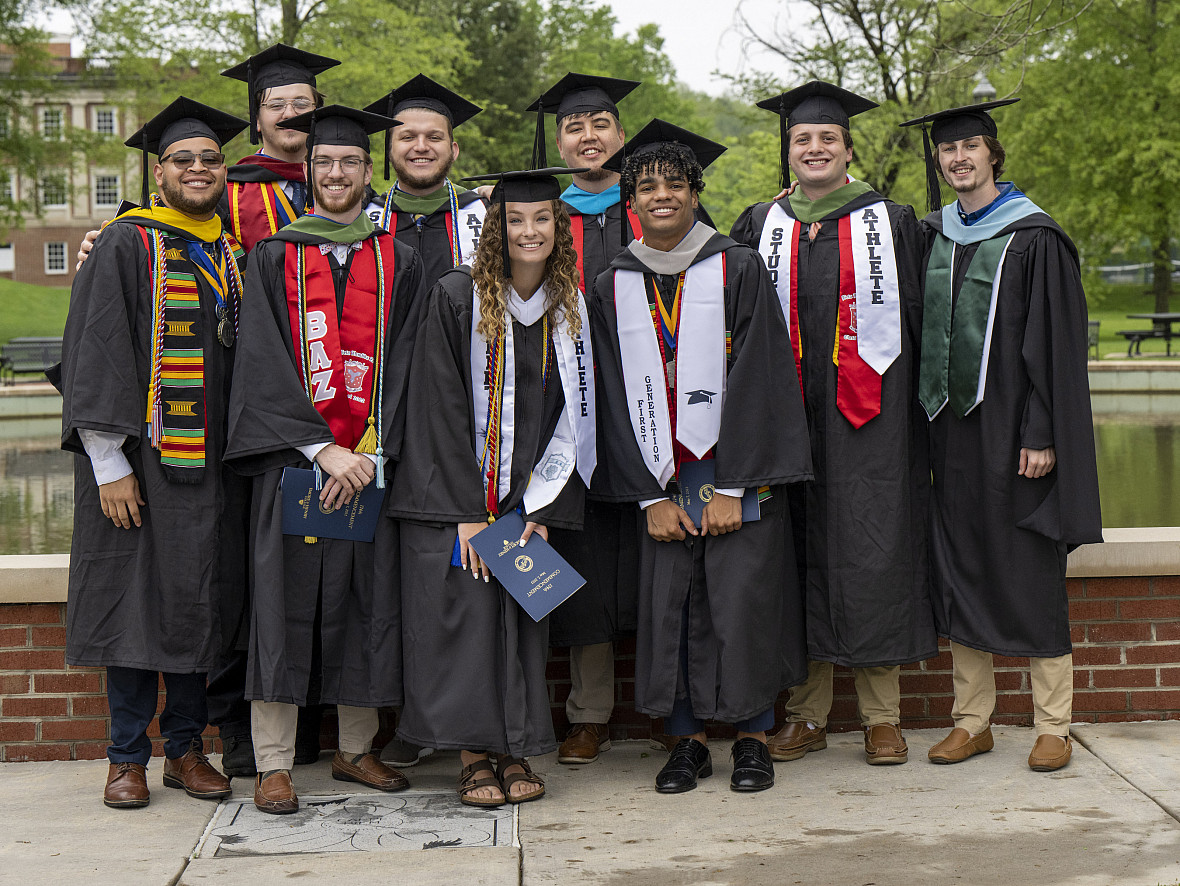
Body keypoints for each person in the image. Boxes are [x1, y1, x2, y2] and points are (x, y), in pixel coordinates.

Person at [591, 119, 813, 794]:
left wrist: (735, 487)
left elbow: (763, 377)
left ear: (695, 194)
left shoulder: (736, 266)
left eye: (675, 184)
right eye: (648, 185)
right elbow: (601, 393)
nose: (662, 195)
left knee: (743, 604)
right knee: (672, 610)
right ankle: (685, 743)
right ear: (631, 200)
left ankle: (752, 738)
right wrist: (648, 496)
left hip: (731, 471)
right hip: (659, 475)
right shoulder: (610, 283)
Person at [224, 105, 424, 814]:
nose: (336, 174)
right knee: (279, 611)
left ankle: (355, 749)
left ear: (369, 173)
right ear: (306, 174)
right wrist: (321, 447)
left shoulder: (400, 257)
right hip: (292, 465)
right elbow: (262, 362)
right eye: (324, 163)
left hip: (370, 469)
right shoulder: (275, 253)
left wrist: (370, 450)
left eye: (348, 162)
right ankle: (273, 762)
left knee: (366, 606)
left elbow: (412, 364)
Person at [730, 81, 936, 766]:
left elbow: (923, 326)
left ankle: (883, 718)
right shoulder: (761, 226)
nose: (814, 147)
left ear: (848, 148)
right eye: (802, 139)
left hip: (871, 424)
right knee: (794, 557)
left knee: (873, 551)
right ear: (787, 151)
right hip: (784, 420)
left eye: (827, 138)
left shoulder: (893, 221)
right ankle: (807, 714)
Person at [58, 97, 249, 809]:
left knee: (196, 605)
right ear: (158, 172)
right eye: (183, 160)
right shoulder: (125, 243)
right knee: (134, 607)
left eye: (209, 159)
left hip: (207, 471)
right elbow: (97, 349)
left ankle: (188, 750)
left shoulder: (226, 251)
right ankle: (126, 757)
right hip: (139, 470)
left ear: (222, 170)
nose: (198, 169)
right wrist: (108, 464)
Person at [900, 99, 1101, 771]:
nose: (958, 158)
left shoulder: (1035, 237)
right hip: (948, 435)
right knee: (960, 569)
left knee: (1030, 568)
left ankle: (1053, 724)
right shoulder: (935, 235)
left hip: (1015, 435)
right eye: (947, 150)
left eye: (970, 148)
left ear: (992, 154)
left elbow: (1057, 347)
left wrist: (1043, 431)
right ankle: (973, 720)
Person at [387, 167, 595, 807]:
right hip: (462, 495)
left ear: (559, 229)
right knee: (470, 621)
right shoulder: (457, 294)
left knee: (518, 621)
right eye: (514, 220)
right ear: (494, 231)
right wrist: (465, 512)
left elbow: (577, 413)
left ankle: (514, 751)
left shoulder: (569, 306)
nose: (529, 231)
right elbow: (434, 405)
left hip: (528, 497)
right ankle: (474, 758)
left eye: (541, 220)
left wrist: (545, 504)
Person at [523, 72, 641, 765]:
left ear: (620, 135)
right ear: (559, 140)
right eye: (575, 126)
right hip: (562, 418)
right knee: (581, 558)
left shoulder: (654, 206)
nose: (589, 136)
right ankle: (587, 713)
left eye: (601, 123)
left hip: (648, 417)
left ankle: (672, 707)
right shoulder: (538, 215)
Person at [363, 75, 488, 287]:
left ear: (453, 150)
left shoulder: (486, 215)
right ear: (389, 150)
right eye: (407, 137)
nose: (421, 146)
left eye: (434, 137)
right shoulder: (365, 219)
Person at [219, 43, 339, 252]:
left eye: (301, 104)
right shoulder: (226, 195)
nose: (290, 114)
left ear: (317, 113)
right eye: (276, 105)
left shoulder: (346, 185)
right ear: (256, 120)